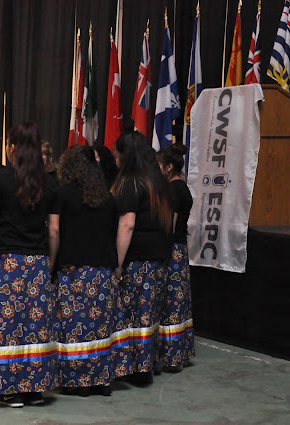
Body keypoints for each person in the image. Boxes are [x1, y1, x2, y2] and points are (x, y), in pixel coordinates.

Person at [0, 122, 59, 408]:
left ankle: (7, 389)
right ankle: (34, 390)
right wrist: (49, 263)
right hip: (37, 262)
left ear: (11, 147)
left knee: (5, 325)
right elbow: (54, 230)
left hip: (7, 263)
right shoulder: (50, 182)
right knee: (35, 325)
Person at [54, 145, 120, 397]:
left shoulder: (62, 195)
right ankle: (101, 380)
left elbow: (55, 232)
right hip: (102, 271)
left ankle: (77, 382)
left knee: (74, 328)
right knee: (100, 327)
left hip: (73, 270)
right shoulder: (108, 199)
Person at [112, 131, 172, 385]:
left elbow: (127, 225)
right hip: (158, 257)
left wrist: (117, 263)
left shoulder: (131, 183)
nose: (116, 160)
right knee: (149, 312)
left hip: (136, 259)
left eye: (118, 155)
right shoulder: (159, 182)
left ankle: (136, 369)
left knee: (132, 313)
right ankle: (148, 363)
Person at [156, 144, 195, 372]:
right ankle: (181, 352)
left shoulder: (172, 189)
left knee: (171, 301)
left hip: (172, 250)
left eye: (160, 165)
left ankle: (171, 357)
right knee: (179, 302)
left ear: (168, 167)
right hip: (181, 249)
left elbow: (169, 225)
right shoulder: (183, 187)